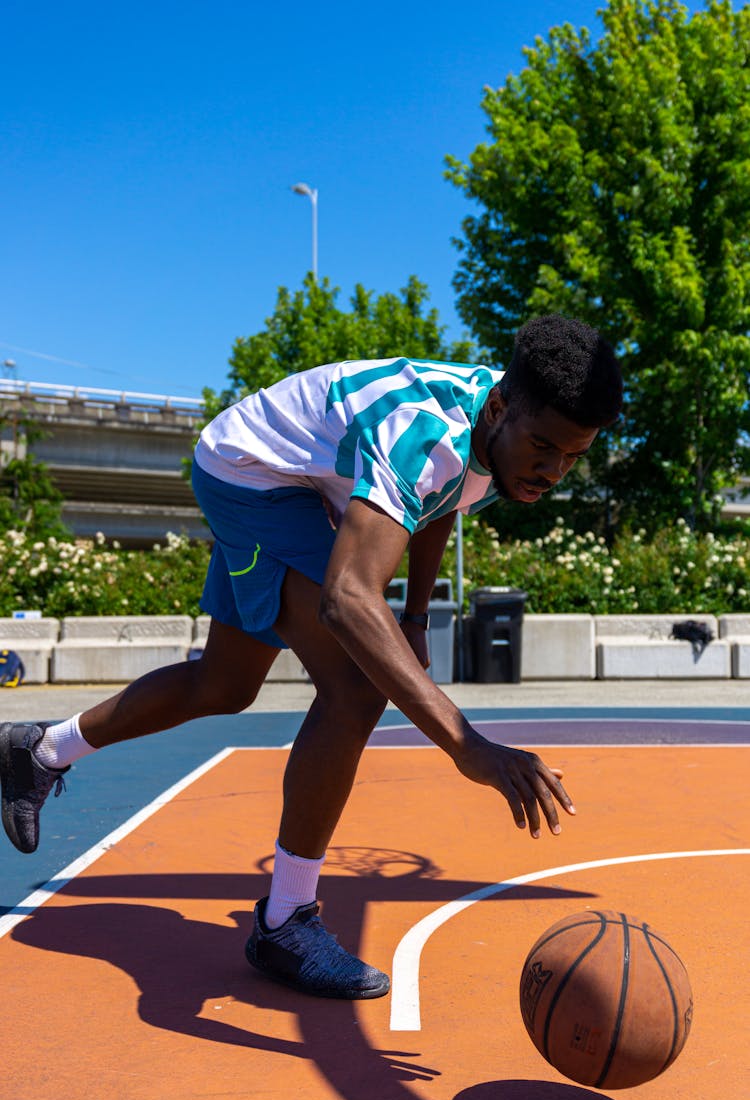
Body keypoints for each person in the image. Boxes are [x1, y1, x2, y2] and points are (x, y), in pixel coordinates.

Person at [0, 314, 623, 1000]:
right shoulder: (423, 435)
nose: (554, 470)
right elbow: (347, 600)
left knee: (227, 684)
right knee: (357, 687)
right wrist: (466, 745)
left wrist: (415, 617)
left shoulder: (491, 429)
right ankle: (285, 921)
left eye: (573, 455)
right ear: (500, 409)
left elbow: (439, 504)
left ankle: (40, 750)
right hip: (254, 477)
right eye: (544, 448)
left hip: (283, 474)